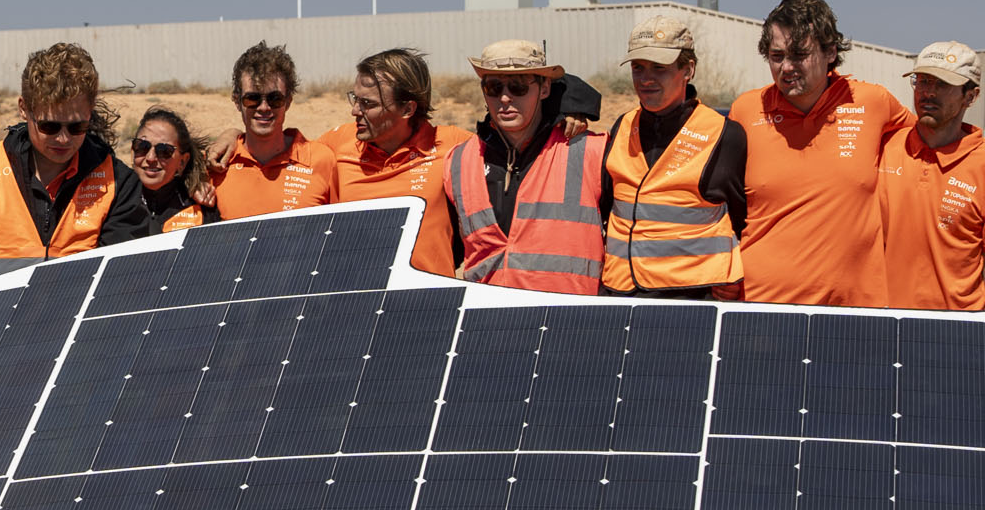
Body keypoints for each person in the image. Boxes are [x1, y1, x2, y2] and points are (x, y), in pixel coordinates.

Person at [727, 0, 913, 308]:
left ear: (830, 52)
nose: (786, 67)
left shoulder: (872, 102)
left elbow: (936, 144)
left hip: (855, 307)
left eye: (799, 55)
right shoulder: (745, 110)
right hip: (762, 306)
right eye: (776, 56)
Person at [0, 42, 157, 286]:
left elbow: (119, 281)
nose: (63, 138)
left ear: (90, 112)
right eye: (50, 126)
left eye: (77, 127)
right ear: (24, 109)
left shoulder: (119, 183)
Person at [282, 48, 465, 276]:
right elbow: (278, 152)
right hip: (357, 301)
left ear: (407, 108)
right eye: (355, 99)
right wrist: (231, 137)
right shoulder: (336, 143)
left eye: (368, 104)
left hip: (429, 301)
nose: (354, 111)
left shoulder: (453, 145)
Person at [446, 38, 608, 292]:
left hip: (571, 322)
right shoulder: (457, 162)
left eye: (518, 87)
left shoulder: (591, 152)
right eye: (493, 86)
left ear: (544, 89)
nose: (505, 97)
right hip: (486, 322)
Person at [600, 19, 746, 300]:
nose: (646, 79)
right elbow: (606, 206)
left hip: (692, 298)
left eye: (660, 68)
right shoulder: (621, 126)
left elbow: (745, 219)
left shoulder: (724, 135)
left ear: (688, 69)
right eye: (637, 68)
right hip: (621, 292)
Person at [877, 42, 985, 313]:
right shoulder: (883, 148)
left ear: (971, 96)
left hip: (958, 330)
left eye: (943, 84)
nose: (928, 93)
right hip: (884, 322)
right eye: (922, 81)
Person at [199, 42, 316, 219]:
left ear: (289, 101)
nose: (263, 107)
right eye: (252, 98)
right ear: (237, 101)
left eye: (274, 99)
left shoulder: (322, 161)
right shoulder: (213, 165)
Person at [129, 106, 206, 231]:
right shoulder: (115, 198)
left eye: (164, 151)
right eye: (142, 146)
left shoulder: (200, 205)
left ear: (182, 161)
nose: (151, 158)